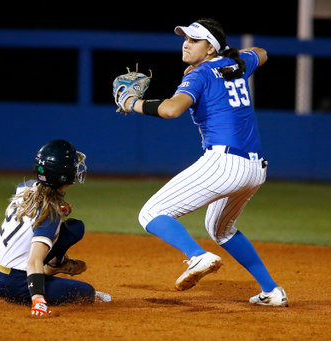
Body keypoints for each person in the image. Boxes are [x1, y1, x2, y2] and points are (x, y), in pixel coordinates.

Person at [119, 18, 288, 306]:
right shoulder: (234, 64)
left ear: (210, 47)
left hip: (225, 163)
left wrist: (131, 103)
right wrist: (232, 57)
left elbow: (172, 110)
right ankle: (272, 291)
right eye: (185, 38)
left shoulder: (199, 75)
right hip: (255, 169)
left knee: (151, 213)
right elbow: (262, 52)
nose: (186, 43)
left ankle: (198, 257)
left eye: (195, 40)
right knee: (221, 230)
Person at [0, 139, 105, 316]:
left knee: (74, 228)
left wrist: (60, 209)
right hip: (13, 284)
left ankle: (56, 263)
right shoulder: (50, 215)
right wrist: (38, 300)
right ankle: (28, 290)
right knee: (87, 293)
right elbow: (34, 259)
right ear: (65, 176)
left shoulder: (25, 188)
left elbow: (15, 213)